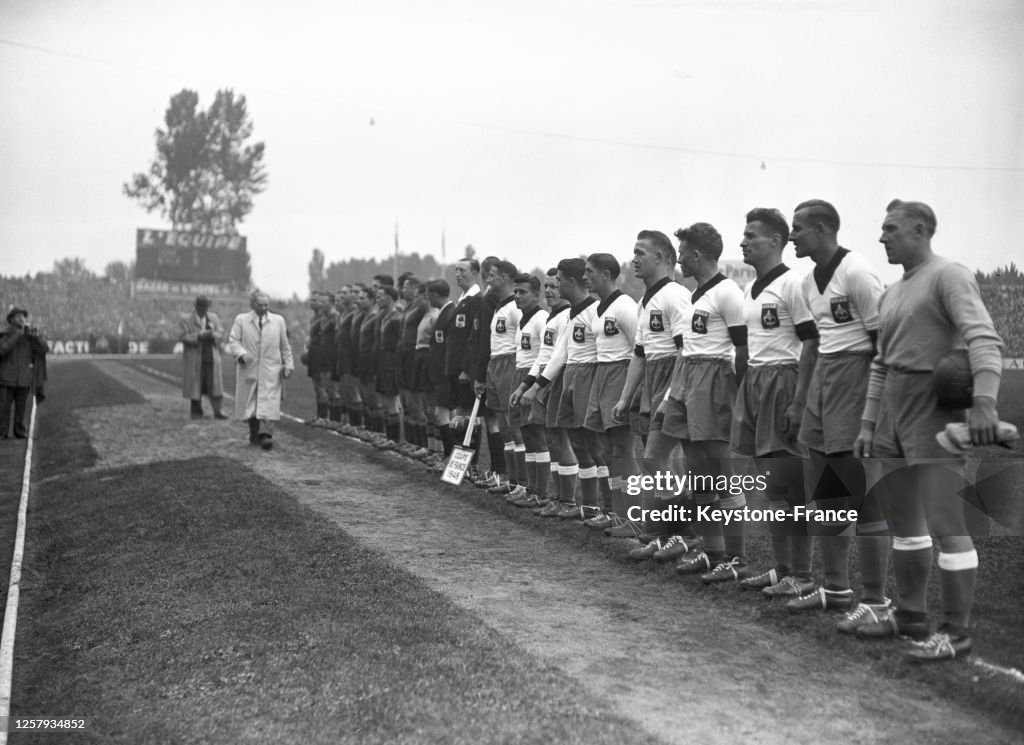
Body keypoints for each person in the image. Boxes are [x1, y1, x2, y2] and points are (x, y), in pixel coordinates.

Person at [854, 199, 1003, 662]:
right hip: (892, 411)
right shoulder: (892, 291)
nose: (882, 238)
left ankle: (956, 633)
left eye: (891, 229)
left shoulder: (948, 275)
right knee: (905, 522)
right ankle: (911, 616)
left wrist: (984, 401)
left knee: (946, 523)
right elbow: (880, 362)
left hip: (934, 407)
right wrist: (867, 421)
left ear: (921, 230)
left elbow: (983, 337)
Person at [786, 200, 891, 621]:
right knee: (826, 494)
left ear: (823, 228)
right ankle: (835, 588)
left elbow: (882, 342)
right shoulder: (809, 281)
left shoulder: (858, 271)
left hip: (857, 379)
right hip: (822, 385)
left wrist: (875, 407)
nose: (792, 235)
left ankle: (876, 600)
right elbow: (814, 344)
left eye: (798, 228)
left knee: (861, 497)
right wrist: (800, 400)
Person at [226, 291, 294, 450]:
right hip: (250, 367)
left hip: (271, 368)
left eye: (266, 305)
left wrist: (288, 364)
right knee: (251, 401)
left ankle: (266, 435)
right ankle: (254, 433)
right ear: (252, 304)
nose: (263, 308)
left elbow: (285, 346)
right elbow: (234, 341)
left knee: (269, 400)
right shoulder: (242, 320)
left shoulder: (278, 321)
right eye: (260, 305)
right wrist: (242, 354)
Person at [0, 307, 48, 439]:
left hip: (23, 378)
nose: (22, 319)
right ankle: (2, 432)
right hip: (6, 377)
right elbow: (2, 349)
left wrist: (37, 337)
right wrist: (17, 335)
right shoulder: (4, 333)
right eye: (18, 316)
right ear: (11, 320)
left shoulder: (30, 335)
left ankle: (19, 431)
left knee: (21, 408)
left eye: (23, 316)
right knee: (3, 407)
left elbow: (44, 349)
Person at [178, 295, 227, 420]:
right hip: (195, 357)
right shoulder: (186, 320)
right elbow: (182, 336)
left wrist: (212, 335)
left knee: (215, 383)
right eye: (199, 305)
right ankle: (196, 411)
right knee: (196, 384)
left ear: (208, 307)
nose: (202, 309)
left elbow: (221, 333)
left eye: (204, 306)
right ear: (195, 305)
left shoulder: (214, 318)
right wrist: (199, 336)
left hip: (211, 356)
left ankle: (218, 410)